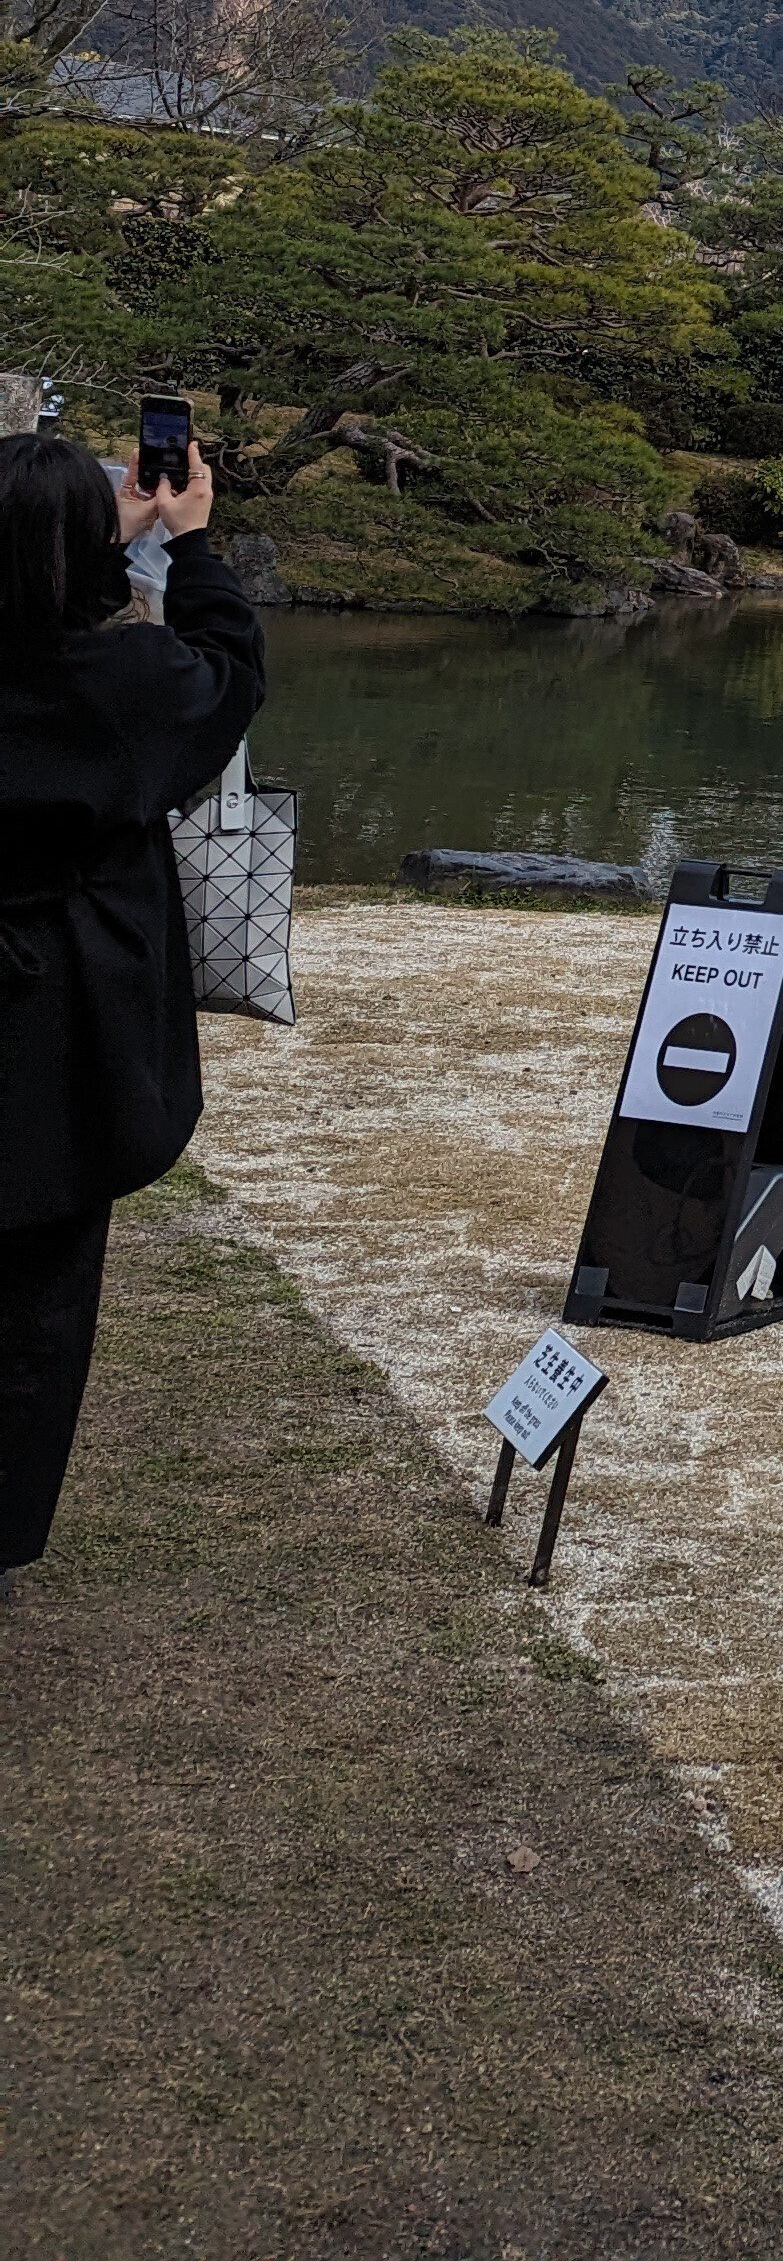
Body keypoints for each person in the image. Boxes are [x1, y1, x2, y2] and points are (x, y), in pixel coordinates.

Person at [0, 428, 263, 1579]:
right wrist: (188, 542)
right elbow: (228, 671)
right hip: (57, 1021)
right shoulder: (119, 686)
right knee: (38, 1296)